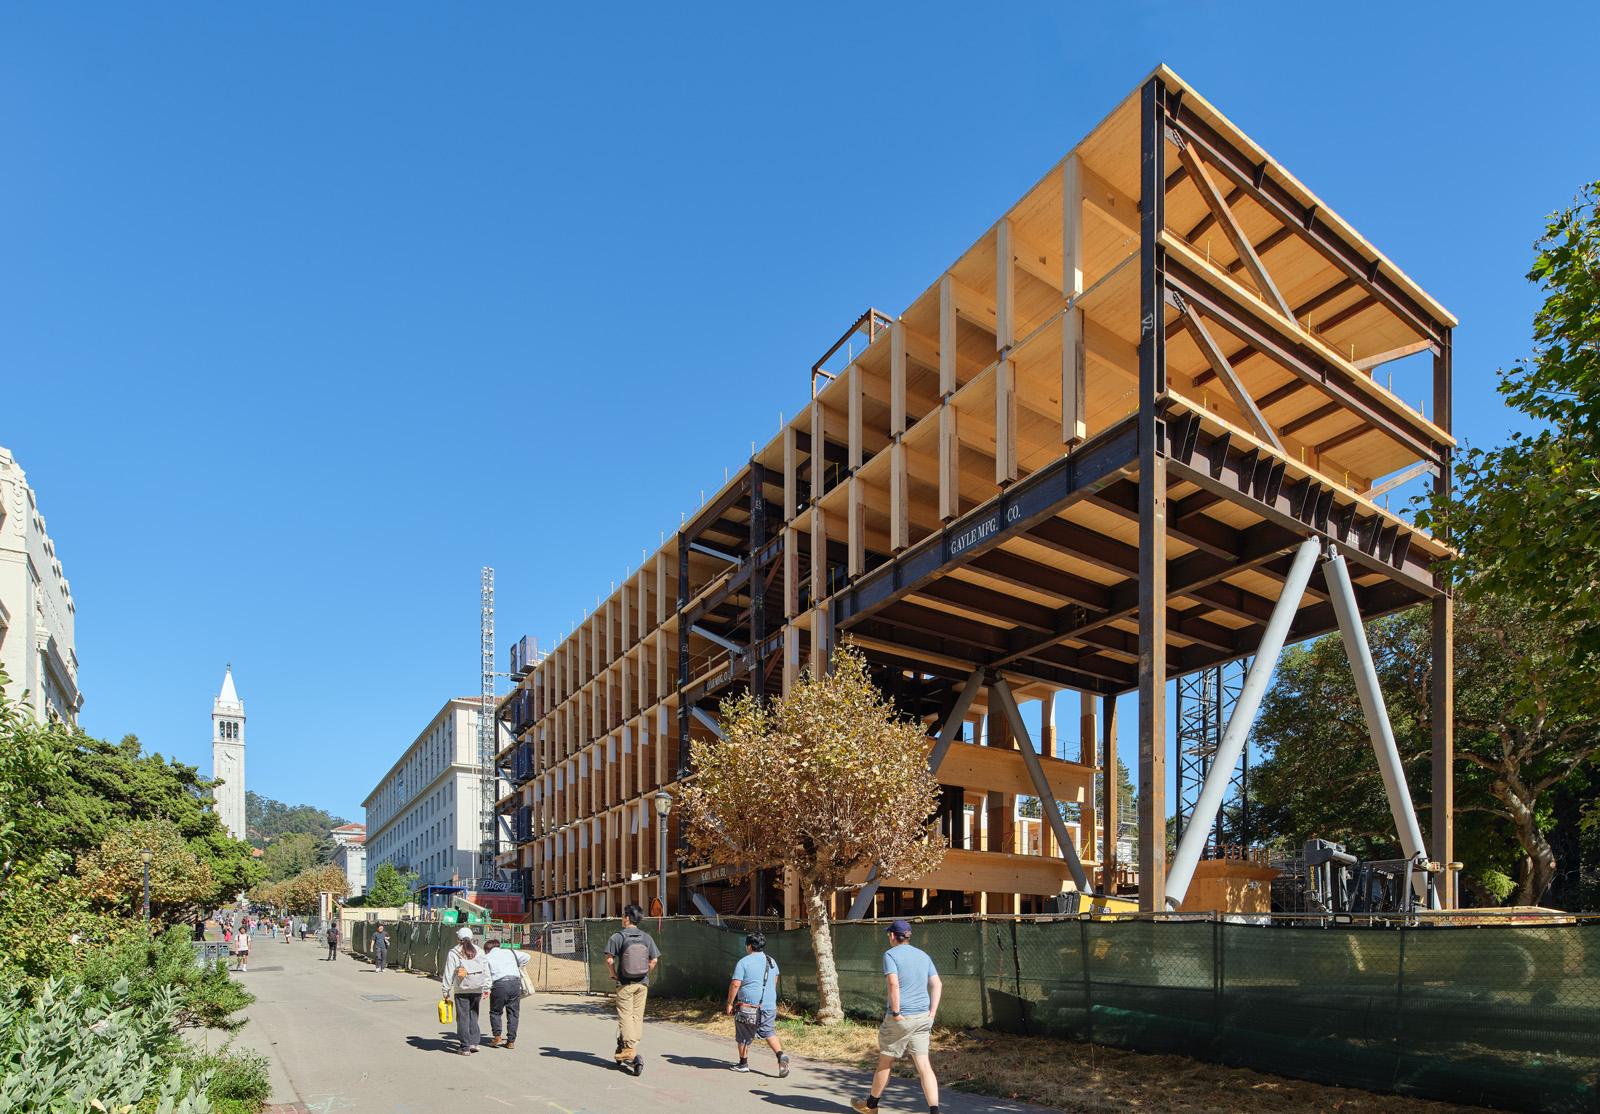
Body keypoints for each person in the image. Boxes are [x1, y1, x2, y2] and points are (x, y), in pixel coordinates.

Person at [851, 920, 942, 1114]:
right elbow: (937, 983)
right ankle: (934, 1111)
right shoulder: (923, 955)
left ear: (892, 935)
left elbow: (893, 984)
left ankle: (871, 1106)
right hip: (922, 1016)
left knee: (886, 1061)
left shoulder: (890, 954)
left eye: (888, 935)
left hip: (901, 1018)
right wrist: (932, 1013)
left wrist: (896, 1012)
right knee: (924, 1065)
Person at [602, 903, 659, 1075]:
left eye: (622, 916)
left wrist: (613, 974)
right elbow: (654, 960)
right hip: (642, 984)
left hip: (625, 983)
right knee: (636, 1016)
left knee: (625, 1016)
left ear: (627, 918)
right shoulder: (646, 937)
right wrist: (645, 973)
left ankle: (629, 1049)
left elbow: (609, 959)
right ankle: (631, 1047)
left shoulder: (618, 937)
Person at [725, 931, 788, 1077]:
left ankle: (743, 1063)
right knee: (769, 1031)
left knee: (744, 1034)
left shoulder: (744, 962)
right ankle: (780, 1055)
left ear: (749, 946)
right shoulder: (772, 961)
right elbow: (774, 981)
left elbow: (735, 984)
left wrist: (729, 1003)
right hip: (769, 1005)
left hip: (748, 1005)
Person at [441, 927, 491, 1054]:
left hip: (461, 989)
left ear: (458, 939)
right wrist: (487, 987)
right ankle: (474, 1042)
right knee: (473, 1015)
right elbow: (486, 970)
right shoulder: (479, 951)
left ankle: (465, 1047)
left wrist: (445, 989)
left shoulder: (454, 952)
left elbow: (449, 972)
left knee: (463, 1017)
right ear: (472, 937)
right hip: (477, 987)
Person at [483, 938, 530, 1049]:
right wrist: (518, 965)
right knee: (513, 1013)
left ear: (487, 949)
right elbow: (527, 957)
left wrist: (486, 988)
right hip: (515, 983)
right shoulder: (510, 952)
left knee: (495, 1012)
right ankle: (511, 1041)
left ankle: (497, 1037)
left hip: (499, 984)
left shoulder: (487, 957)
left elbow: (486, 974)